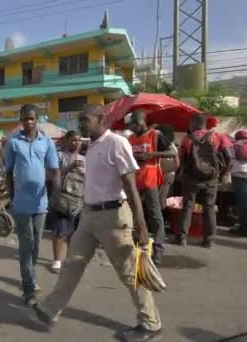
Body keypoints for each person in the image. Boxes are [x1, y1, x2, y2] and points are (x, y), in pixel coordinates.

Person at [31, 105, 162, 342]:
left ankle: (150, 323)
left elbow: (131, 185)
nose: (81, 124)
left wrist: (141, 226)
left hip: (113, 217)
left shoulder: (116, 143)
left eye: (85, 119)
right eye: (81, 120)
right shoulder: (91, 146)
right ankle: (50, 309)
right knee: (72, 264)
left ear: (102, 119)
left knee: (130, 272)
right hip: (89, 215)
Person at [5, 104, 60, 305]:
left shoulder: (46, 142)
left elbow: (55, 170)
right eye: (24, 118)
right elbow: (8, 172)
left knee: (36, 246)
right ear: (20, 120)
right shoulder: (13, 143)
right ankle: (28, 290)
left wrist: (57, 193)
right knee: (26, 246)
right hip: (20, 203)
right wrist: (11, 196)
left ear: (37, 120)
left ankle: (31, 277)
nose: (28, 122)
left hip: (40, 202)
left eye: (31, 118)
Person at [126, 112, 176, 265]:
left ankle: (158, 250)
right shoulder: (130, 139)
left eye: (136, 123)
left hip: (150, 180)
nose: (134, 127)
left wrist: (151, 154)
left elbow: (173, 152)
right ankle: (136, 246)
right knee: (134, 214)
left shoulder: (155, 135)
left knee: (155, 214)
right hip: (133, 180)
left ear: (144, 121)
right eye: (131, 124)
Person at [177, 113, 232, 248]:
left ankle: (182, 238)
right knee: (209, 208)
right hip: (211, 178)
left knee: (188, 207)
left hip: (191, 179)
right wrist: (221, 174)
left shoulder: (187, 139)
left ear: (194, 123)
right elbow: (229, 157)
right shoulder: (218, 137)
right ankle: (209, 240)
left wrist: (184, 173)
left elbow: (181, 159)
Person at [47, 130, 85, 274]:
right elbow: (51, 175)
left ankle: (70, 258)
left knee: (75, 232)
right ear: (67, 141)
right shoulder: (59, 155)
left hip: (79, 199)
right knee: (59, 230)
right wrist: (70, 167)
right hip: (61, 198)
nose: (76, 142)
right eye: (73, 140)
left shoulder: (84, 158)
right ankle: (57, 259)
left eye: (79, 140)